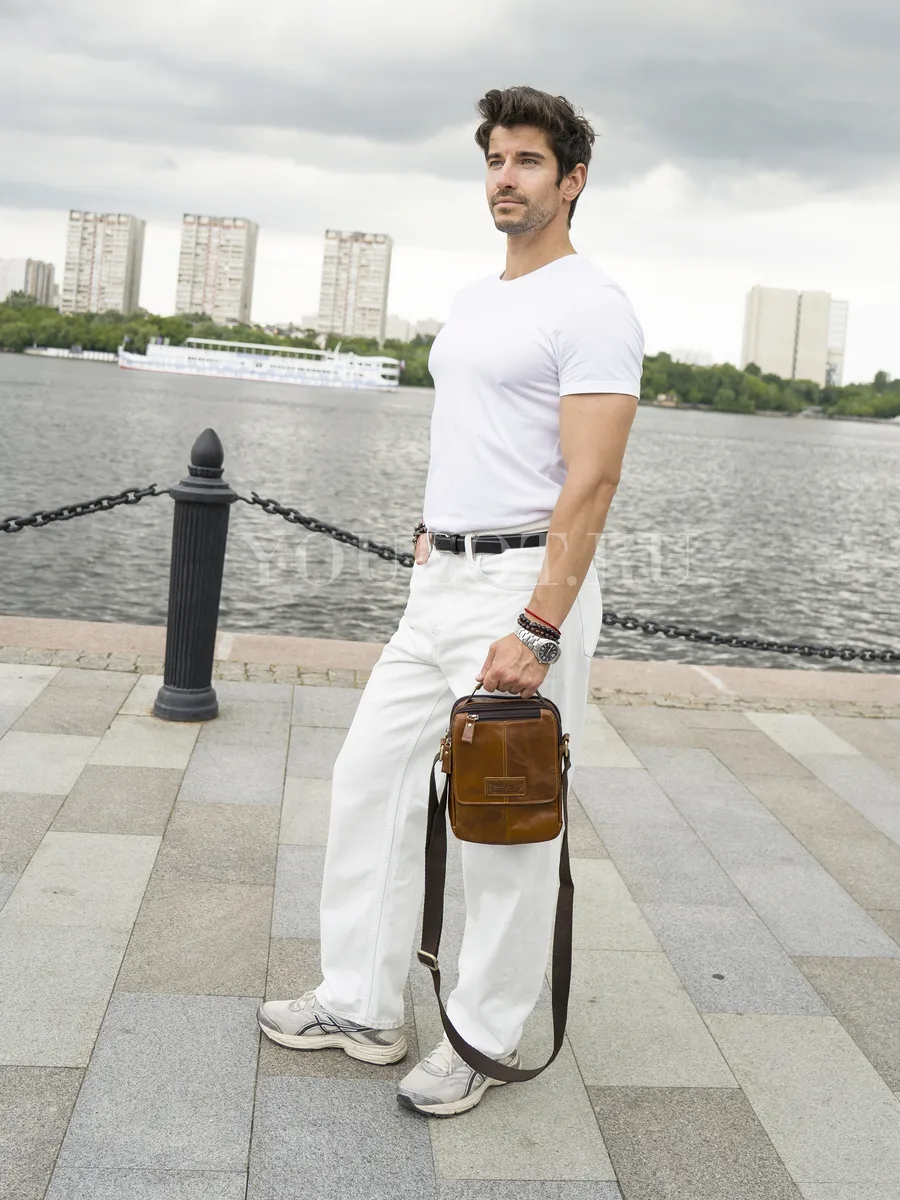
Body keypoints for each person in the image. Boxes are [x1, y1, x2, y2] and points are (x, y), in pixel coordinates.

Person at [258, 85, 643, 1118]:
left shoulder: (593, 304)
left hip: (524, 589)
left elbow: (593, 480)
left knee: (504, 823)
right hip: (440, 583)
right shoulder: (478, 300)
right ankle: (362, 1005)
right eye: (495, 160)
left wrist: (538, 626)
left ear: (573, 180)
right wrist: (436, 531)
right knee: (369, 779)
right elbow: (478, 437)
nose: (505, 179)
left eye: (528, 161)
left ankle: (483, 1035)